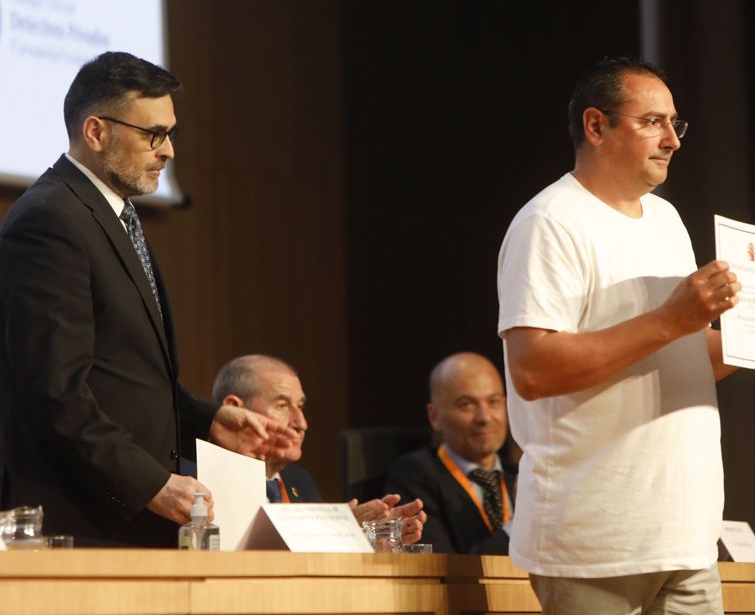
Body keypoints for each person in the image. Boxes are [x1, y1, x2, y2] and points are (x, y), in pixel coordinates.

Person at [497, 56, 755, 615]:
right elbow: (533, 370)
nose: (673, 140)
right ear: (597, 127)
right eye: (653, 121)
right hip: (594, 538)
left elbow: (679, 357)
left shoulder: (666, 220)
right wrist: (673, 320)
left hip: (683, 532)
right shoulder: (550, 223)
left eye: (676, 123)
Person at [0, 52, 293, 548]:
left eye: (171, 134)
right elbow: (56, 394)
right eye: (153, 134)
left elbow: (123, 378)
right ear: (96, 132)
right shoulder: (50, 222)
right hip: (80, 526)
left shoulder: (111, 216)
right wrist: (152, 484)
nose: (168, 152)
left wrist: (209, 420)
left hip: (120, 522)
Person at [211, 354, 426, 542]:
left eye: (301, 406)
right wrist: (338, 532)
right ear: (234, 408)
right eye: (282, 406)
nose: (301, 423)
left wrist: (357, 538)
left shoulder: (300, 481)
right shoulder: (197, 478)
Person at [385, 352, 515, 554]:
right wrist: (521, 526)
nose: (485, 417)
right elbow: (441, 568)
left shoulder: (520, 477)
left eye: (494, 401)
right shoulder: (415, 477)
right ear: (435, 416)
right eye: (467, 404)